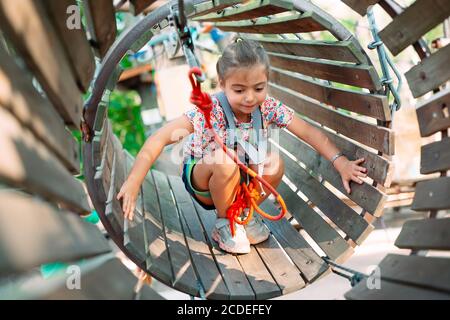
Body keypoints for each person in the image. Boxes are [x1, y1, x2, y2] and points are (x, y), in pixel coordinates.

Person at [117, 37, 367, 254]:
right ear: (222, 84)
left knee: (274, 162)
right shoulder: (210, 110)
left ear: (266, 83)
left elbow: (308, 132)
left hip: (242, 178)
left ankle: (244, 213)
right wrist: (133, 181)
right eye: (239, 89)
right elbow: (159, 138)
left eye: (258, 88)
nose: (250, 97)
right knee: (225, 161)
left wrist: (340, 161)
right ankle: (226, 224)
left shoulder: (267, 107)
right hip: (206, 177)